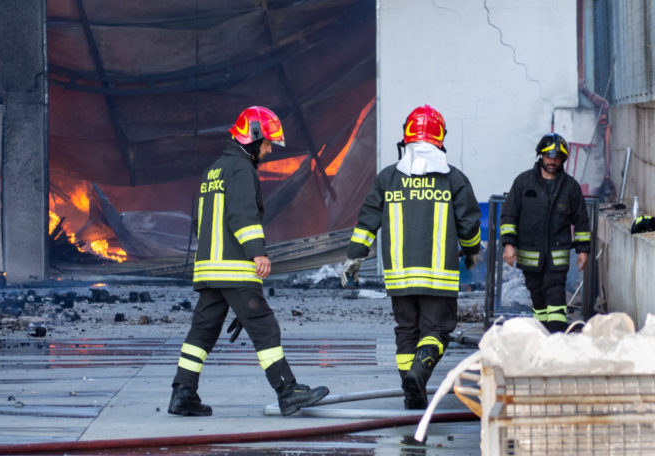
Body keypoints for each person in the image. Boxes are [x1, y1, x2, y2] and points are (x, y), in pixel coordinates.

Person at [168, 106, 329, 417]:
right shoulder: (242, 169)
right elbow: (243, 215)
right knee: (264, 327)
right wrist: (258, 251)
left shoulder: (212, 170)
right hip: (235, 269)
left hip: (209, 270)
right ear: (252, 137)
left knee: (201, 333)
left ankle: (182, 393)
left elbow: (199, 223)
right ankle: (288, 391)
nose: (268, 150)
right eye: (267, 143)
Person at [340, 104, 481, 410]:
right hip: (437, 278)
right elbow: (469, 224)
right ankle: (418, 375)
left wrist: (355, 256)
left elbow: (367, 221)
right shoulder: (453, 179)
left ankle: (410, 391)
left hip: (399, 278)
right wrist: (471, 252)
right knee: (437, 331)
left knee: (406, 331)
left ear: (406, 138)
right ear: (440, 137)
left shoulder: (388, 178)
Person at [500, 133, 591, 333]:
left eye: (557, 157)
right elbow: (509, 216)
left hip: (557, 257)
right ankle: (542, 335)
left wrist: (583, 250)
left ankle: (557, 336)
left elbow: (582, 220)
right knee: (538, 299)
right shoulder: (523, 182)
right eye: (548, 156)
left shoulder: (570, 187)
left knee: (555, 298)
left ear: (563, 160)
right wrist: (508, 244)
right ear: (541, 156)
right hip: (530, 255)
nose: (552, 160)